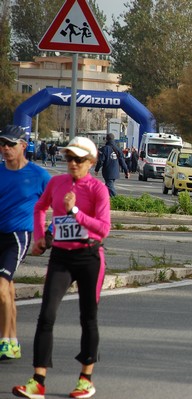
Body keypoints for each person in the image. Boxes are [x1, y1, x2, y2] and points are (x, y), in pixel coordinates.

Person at [13, 137, 110, 399]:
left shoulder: (98, 189)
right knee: (46, 316)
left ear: (90, 162)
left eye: (78, 159)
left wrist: (75, 210)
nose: (72, 164)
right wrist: (39, 236)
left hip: (89, 257)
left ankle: (85, 379)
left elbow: (104, 228)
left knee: (88, 317)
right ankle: (38, 381)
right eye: (69, 158)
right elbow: (39, 206)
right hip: (61, 257)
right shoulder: (57, 183)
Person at [0, 126, 50, 361]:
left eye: (10, 144)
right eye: (2, 144)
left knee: (1, 288)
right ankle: (11, 341)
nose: (5, 149)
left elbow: (57, 203)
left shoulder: (39, 175)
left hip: (18, 236)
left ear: (23, 145)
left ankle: (5, 342)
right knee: (6, 290)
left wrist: (48, 233)